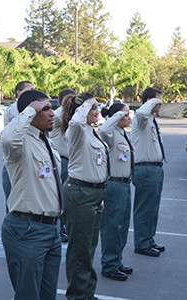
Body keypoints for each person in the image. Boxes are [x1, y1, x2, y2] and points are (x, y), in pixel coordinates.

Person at [0, 90, 63, 300]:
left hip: (51, 228)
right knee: (28, 294)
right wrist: (29, 111)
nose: (51, 113)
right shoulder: (19, 142)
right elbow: (7, 139)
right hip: (28, 229)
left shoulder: (45, 140)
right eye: (44, 109)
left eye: (51, 108)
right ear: (30, 113)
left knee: (47, 294)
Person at [62, 92, 108, 300]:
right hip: (80, 193)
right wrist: (85, 105)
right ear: (82, 111)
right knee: (79, 249)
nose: (98, 112)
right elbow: (74, 124)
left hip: (95, 193)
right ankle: (78, 295)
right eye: (94, 109)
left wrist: (90, 106)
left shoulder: (91, 131)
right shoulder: (77, 130)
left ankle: (87, 292)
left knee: (89, 247)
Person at [99, 103, 134, 281]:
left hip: (125, 185)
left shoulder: (122, 133)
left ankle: (117, 260)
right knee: (112, 226)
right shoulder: (110, 133)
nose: (129, 118)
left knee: (123, 226)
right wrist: (118, 114)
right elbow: (104, 129)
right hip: (114, 185)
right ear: (117, 117)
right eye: (126, 115)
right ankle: (109, 264)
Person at [131, 87, 165, 257]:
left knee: (153, 207)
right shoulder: (142, 118)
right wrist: (151, 102)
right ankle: (142, 243)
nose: (161, 103)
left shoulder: (151, 119)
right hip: (145, 168)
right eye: (158, 100)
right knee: (145, 208)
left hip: (155, 168)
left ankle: (148, 239)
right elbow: (140, 114)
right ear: (150, 101)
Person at [2, 80, 35, 207]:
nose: (33, 93)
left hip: (29, 159)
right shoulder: (14, 109)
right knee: (13, 202)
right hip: (15, 159)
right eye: (29, 90)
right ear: (19, 92)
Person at [49, 88, 76, 243]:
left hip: (70, 160)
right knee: (59, 195)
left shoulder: (68, 116)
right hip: (61, 159)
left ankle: (63, 226)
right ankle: (59, 228)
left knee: (65, 197)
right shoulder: (57, 115)